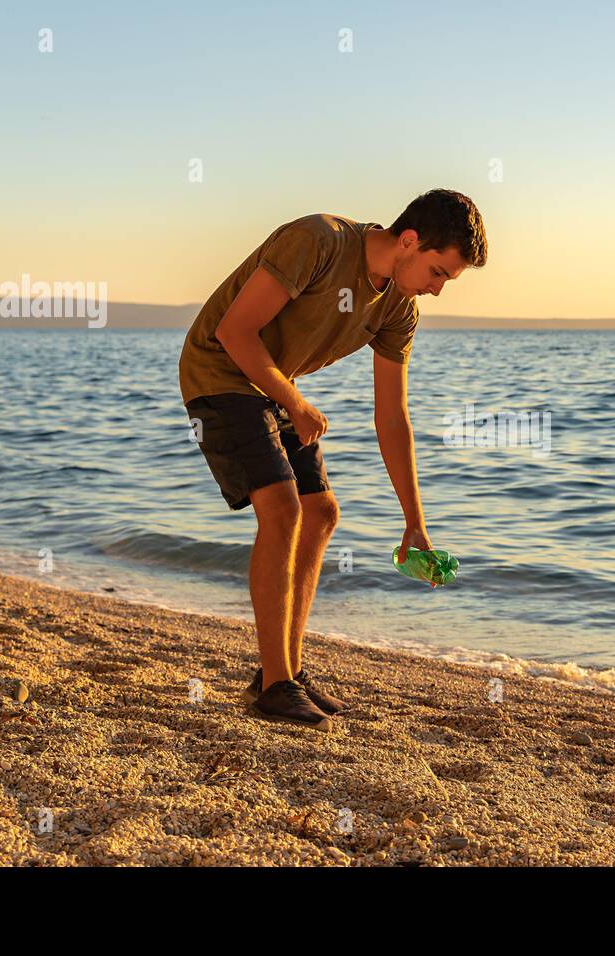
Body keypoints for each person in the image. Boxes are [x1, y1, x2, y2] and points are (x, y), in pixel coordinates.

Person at [179, 189, 488, 730]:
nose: (438, 289)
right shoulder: (317, 240)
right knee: (282, 508)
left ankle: (285, 673)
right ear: (409, 241)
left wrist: (414, 522)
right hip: (219, 370)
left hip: (274, 388)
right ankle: (275, 686)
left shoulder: (398, 307)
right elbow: (233, 332)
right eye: (438, 272)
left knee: (321, 513)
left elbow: (392, 418)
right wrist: (295, 402)